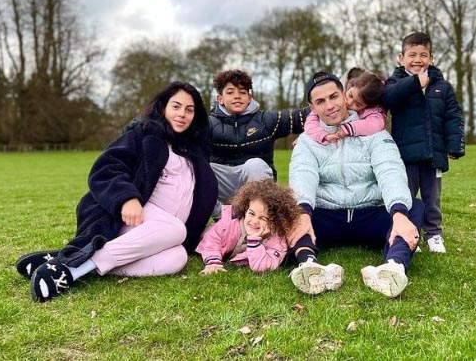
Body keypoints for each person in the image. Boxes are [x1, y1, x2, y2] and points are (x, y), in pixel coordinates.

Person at [15, 82, 218, 302]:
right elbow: (107, 166)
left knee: (177, 259)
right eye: (176, 106)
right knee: (176, 229)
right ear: (163, 107)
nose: (182, 114)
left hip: (159, 237)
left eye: (189, 110)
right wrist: (126, 198)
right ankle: (70, 271)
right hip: (130, 220)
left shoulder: (194, 151)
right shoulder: (143, 133)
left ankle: (79, 259)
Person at [287, 71, 425, 298]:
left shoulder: (374, 132)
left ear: (344, 95)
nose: (330, 105)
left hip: (369, 214)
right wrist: (302, 213)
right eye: (321, 101)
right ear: (312, 107)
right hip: (327, 216)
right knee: (291, 213)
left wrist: (399, 213)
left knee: (413, 207)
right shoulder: (306, 141)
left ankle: (393, 266)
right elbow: (303, 176)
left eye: (334, 97)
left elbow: (390, 170)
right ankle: (308, 265)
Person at [382, 32, 465, 254]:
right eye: (412, 54)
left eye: (423, 54)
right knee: (405, 196)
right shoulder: (395, 83)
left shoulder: (442, 87)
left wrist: (455, 146)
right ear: (401, 58)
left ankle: (434, 234)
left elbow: (453, 117)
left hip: (433, 154)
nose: (417, 59)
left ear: (431, 58)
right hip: (405, 155)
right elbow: (388, 99)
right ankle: (409, 233)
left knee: (432, 198)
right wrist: (414, 83)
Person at [208, 69, 309, 217]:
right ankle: (223, 221)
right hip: (222, 184)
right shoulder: (207, 124)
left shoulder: (266, 120)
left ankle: (261, 220)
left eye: (242, 92)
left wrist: (309, 132)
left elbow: (303, 116)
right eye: (230, 92)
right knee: (197, 168)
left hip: (258, 184)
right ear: (220, 99)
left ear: (250, 97)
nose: (237, 96)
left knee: (255, 164)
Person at [196, 179, 301, 274]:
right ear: (245, 208)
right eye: (251, 213)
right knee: (205, 232)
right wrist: (213, 262)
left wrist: (255, 241)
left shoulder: (277, 242)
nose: (254, 221)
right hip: (205, 237)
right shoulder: (229, 223)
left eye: (263, 218)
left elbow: (262, 267)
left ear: (276, 221)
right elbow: (211, 241)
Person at [303, 69, 386, 144]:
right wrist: (323, 136)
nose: (349, 103)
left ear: (366, 107)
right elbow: (310, 124)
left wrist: (348, 128)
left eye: (357, 104)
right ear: (348, 87)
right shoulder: (318, 111)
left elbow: (377, 124)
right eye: (350, 95)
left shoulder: (373, 113)